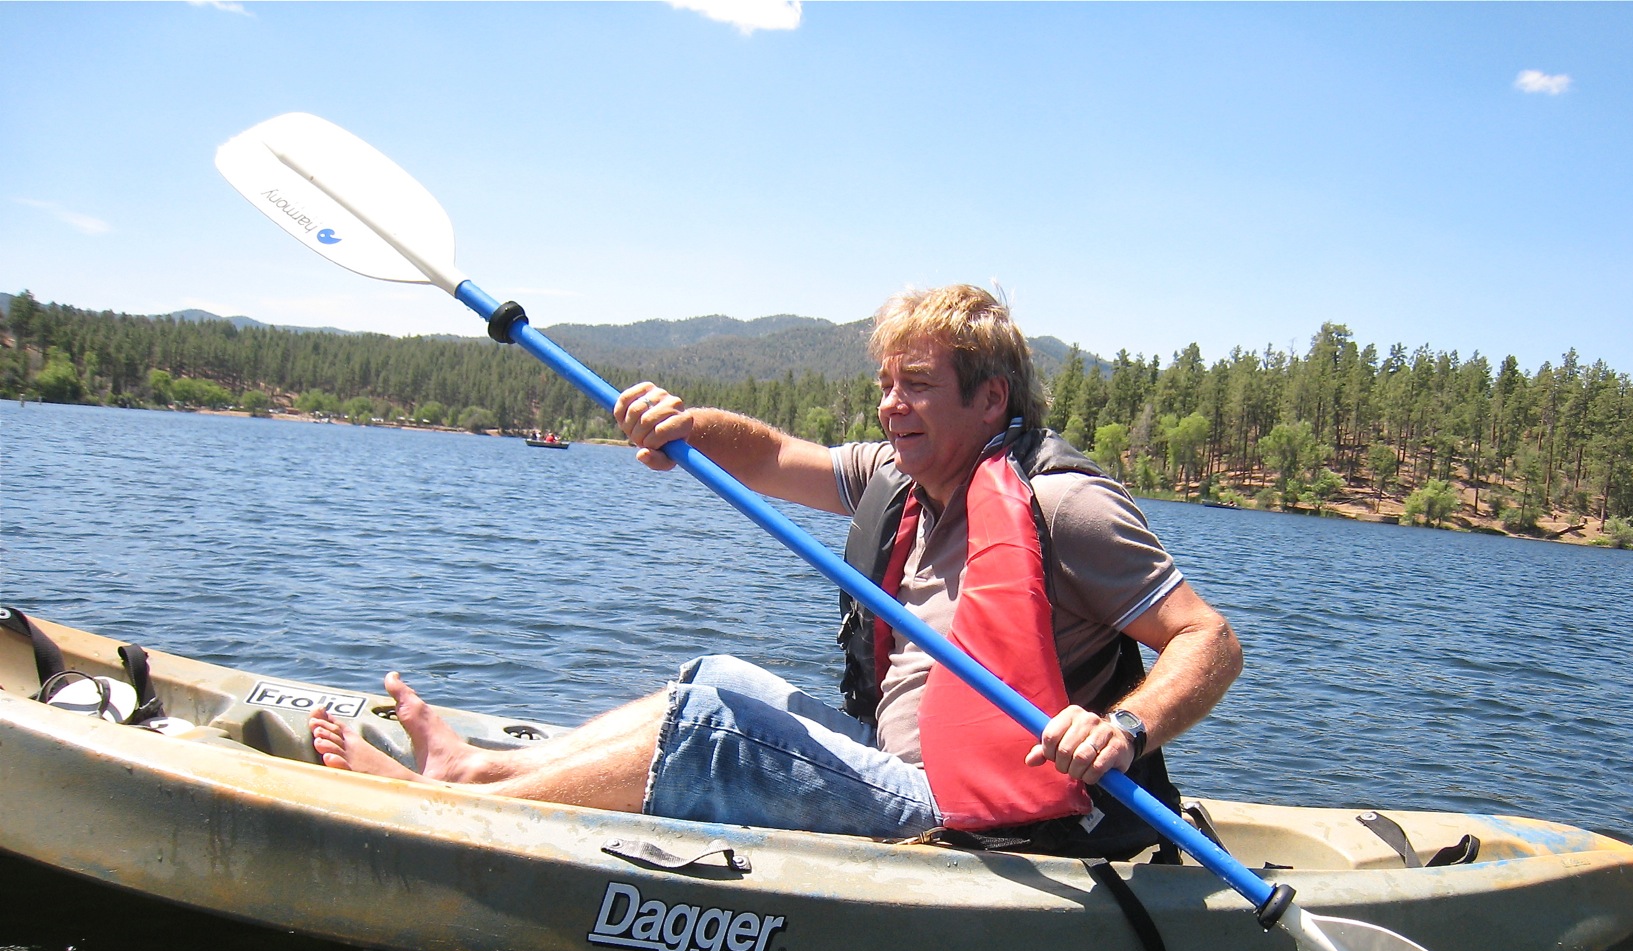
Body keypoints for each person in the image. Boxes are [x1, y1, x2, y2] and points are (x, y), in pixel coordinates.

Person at [310, 284, 1242, 857]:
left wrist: (1123, 726)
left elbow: (1209, 640)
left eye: (915, 385)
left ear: (988, 396)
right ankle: (480, 769)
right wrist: (685, 427)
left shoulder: (1065, 506)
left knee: (717, 728)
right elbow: (769, 456)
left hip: (977, 807)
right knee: (712, 678)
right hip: (892, 759)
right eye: (885, 385)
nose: (890, 406)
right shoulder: (901, 475)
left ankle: (446, 808)